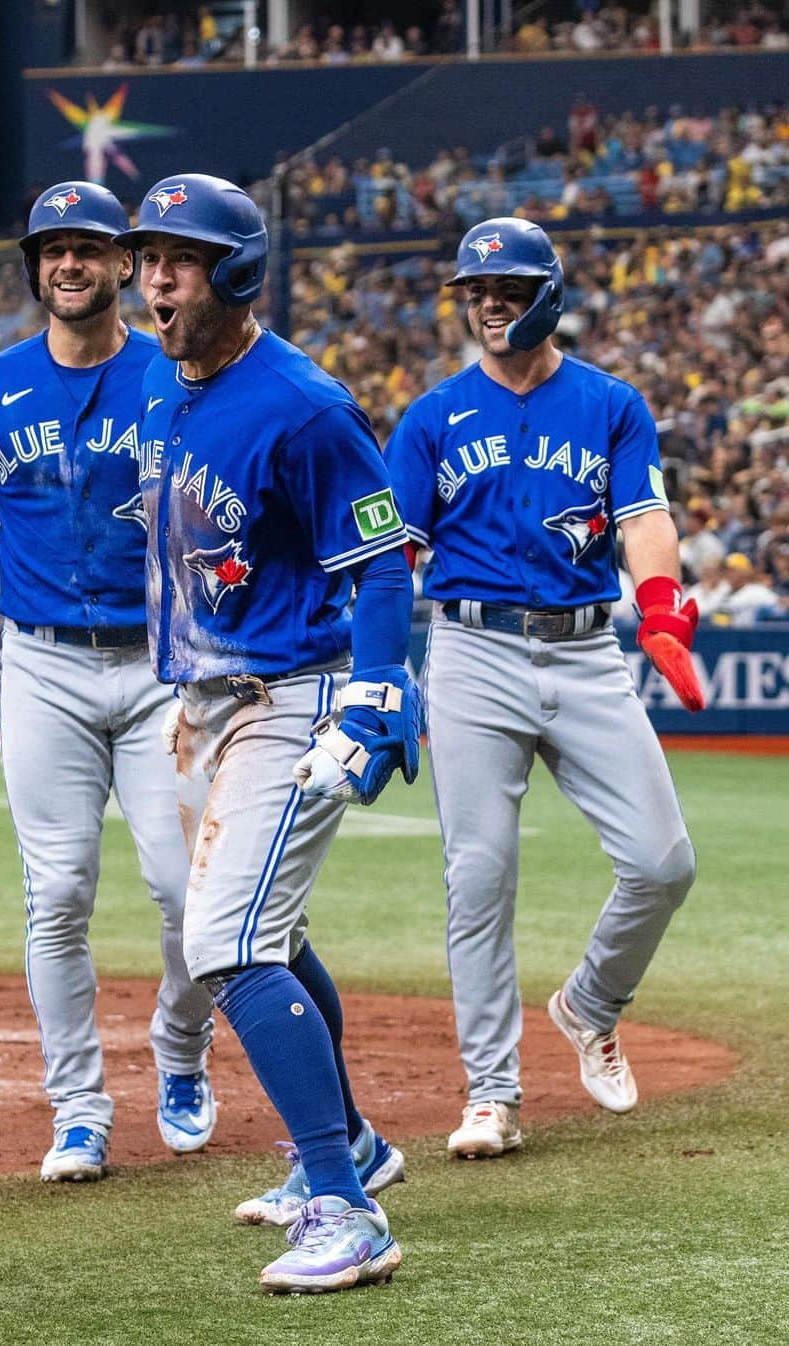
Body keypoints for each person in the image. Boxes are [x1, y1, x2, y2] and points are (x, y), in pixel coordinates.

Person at [114, 174, 418, 1293]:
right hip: (201, 703)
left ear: (237, 274)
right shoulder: (162, 379)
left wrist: (378, 694)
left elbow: (382, 557)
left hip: (291, 692)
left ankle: (347, 1205)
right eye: (149, 256)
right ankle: (351, 1145)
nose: (155, 277)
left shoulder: (306, 404)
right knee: (269, 934)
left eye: (178, 260)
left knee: (229, 945)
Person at [0, 181, 216, 1184]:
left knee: (185, 891)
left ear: (125, 264)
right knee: (59, 890)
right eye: (51, 249)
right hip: (41, 666)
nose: (69, 264)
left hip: (165, 667)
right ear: (33, 267)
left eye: (89, 247)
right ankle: (79, 1108)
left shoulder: (179, 377)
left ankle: (180, 1047)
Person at [385, 217, 701, 1161]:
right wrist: (371, 668)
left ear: (548, 296)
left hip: (584, 648)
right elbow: (393, 551)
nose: (487, 304)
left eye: (507, 289)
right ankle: (492, 1093)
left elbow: (644, 516)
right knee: (479, 877)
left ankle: (590, 1004)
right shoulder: (432, 417)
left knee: (663, 862)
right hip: (473, 652)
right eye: (476, 292)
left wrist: (662, 611)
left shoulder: (609, 405)